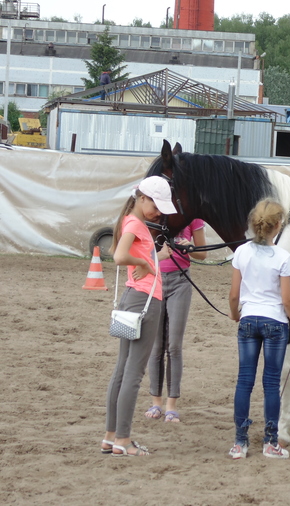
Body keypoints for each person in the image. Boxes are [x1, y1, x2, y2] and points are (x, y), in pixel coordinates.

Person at [100, 176, 177, 457]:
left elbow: (125, 254)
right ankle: (123, 438)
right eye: (156, 205)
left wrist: (155, 257)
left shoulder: (131, 222)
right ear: (142, 198)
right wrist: (145, 261)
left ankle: (111, 436)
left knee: (122, 370)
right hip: (146, 301)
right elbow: (120, 256)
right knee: (133, 372)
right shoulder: (135, 223)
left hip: (132, 298)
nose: (159, 212)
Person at [227, 199, 290, 460]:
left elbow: (233, 294)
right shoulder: (283, 256)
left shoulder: (241, 252)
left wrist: (235, 314)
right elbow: (287, 300)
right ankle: (271, 442)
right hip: (275, 322)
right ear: (278, 225)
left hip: (249, 319)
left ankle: (240, 443)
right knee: (271, 384)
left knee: (244, 381)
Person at [145, 219, 207, 423]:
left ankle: (171, 405)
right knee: (156, 346)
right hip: (155, 279)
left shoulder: (193, 219)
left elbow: (202, 253)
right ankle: (156, 402)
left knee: (174, 345)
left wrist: (188, 249)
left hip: (180, 282)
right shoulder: (155, 216)